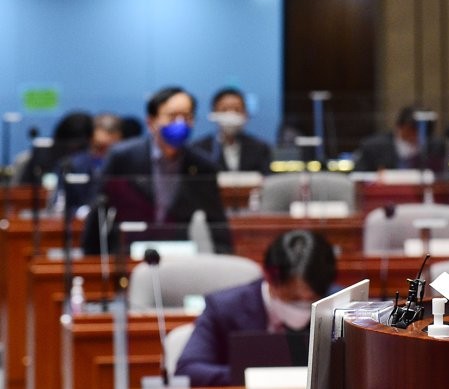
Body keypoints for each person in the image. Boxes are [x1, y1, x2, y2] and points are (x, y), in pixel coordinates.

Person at [80, 86, 232, 255]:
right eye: (172, 116)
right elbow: (98, 210)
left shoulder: (203, 165)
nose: (180, 123)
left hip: (177, 254)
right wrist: (91, 261)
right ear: (151, 122)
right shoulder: (122, 157)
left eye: (187, 117)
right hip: (126, 253)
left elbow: (216, 224)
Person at [175, 229, 337, 386]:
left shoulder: (338, 305)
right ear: (269, 278)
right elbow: (188, 369)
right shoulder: (224, 308)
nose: (303, 305)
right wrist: (257, 377)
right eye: (293, 298)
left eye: (311, 299)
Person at [191, 87, 273, 175]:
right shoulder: (199, 149)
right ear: (214, 113)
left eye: (237, 110)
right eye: (224, 110)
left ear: (245, 114)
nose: (230, 115)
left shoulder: (260, 148)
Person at [352, 105, 446, 173]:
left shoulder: (436, 146)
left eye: (424, 130)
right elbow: (359, 175)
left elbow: (443, 175)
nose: (418, 134)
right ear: (400, 126)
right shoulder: (374, 146)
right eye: (413, 129)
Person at [62, 113, 123, 215]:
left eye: (112, 150)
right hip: (79, 223)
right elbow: (60, 205)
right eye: (100, 147)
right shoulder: (72, 164)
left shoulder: (127, 165)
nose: (105, 154)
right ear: (91, 136)